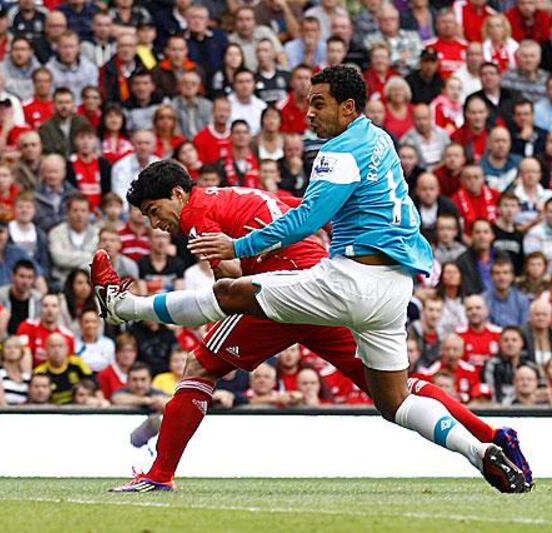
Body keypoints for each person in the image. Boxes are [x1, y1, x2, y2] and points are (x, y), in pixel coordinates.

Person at [96, 66, 530, 493]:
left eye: (318, 104)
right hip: (390, 284)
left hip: (336, 282)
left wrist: (240, 248)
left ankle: (124, 314)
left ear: (347, 107)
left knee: (209, 343)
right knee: (394, 397)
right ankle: (487, 442)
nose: (308, 114)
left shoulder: (211, 207)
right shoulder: (380, 139)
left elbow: (302, 219)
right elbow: (293, 207)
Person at [16, 293, 75, 367]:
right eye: (45, 306)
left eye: (54, 306)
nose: (50, 310)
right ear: (40, 308)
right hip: (32, 373)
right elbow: (22, 354)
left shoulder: (68, 336)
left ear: (59, 310)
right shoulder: (27, 326)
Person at [32, 332, 93, 404]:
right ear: (46, 349)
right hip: (52, 409)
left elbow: (93, 383)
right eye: (53, 346)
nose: (57, 350)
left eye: (60, 346)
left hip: (78, 407)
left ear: (67, 349)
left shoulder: (77, 363)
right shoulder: (40, 372)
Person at [483, 327, 533, 404]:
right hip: (499, 408)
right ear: (500, 343)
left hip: (527, 406)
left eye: (514, 340)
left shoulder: (529, 366)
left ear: (522, 343)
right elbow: (491, 390)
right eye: (506, 340)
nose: (510, 344)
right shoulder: (492, 365)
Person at [0, 259, 43, 334]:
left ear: (33, 280)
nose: (25, 281)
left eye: (29, 277)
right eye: (22, 276)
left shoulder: (38, 299)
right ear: (13, 277)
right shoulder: (0, 295)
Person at [0, 335, 32, 405]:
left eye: (16, 347)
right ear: (2, 352)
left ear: (21, 352)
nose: (12, 350)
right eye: (8, 347)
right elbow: (0, 404)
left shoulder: (26, 377)